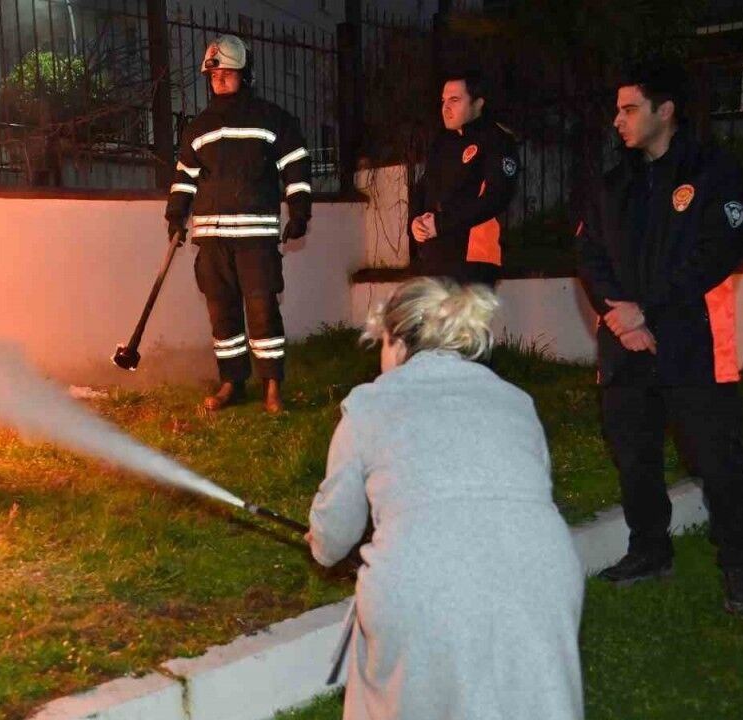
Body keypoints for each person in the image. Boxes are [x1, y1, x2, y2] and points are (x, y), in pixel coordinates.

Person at [307, 277, 583, 720]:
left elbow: (333, 535)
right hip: (543, 573)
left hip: (423, 584)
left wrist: (319, 542)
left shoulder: (368, 405)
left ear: (397, 343)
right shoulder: (515, 400)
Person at [576, 62, 743, 616]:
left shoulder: (712, 171)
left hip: (692, 344)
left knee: (716, 459)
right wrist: (619, 315)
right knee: (635, 457)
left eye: (629, 109)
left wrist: (648, 311)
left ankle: (742, 565)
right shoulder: (615, 184)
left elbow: (717, 254)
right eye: (616, 110)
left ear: (665, 111)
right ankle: (649, 551)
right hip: (626, 344)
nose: (618, 120)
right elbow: (589, 254)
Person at [165, 34, 312, 414]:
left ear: (245, 75)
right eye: (214, 75)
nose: (219, 80)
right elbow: (184, 177)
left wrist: (300, 212)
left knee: (262, 312)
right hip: (212, 241)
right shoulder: (198, 128)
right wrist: (175, 215)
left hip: (254, 241)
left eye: (227, 73)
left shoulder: (272, 120)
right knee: (222, 315)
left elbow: (296, 166)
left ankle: (272, 385)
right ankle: (232, 382)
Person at [408, 70, 519, 286]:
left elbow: (496, 197)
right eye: (443, 101)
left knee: (462, 310)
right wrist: (415, 221)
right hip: (435, 256)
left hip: (473, 260)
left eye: (455, 100)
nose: (446, 107)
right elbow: (424, 185)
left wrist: (441, 224)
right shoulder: (442, 140)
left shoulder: (497, 140)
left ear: (478, 103)